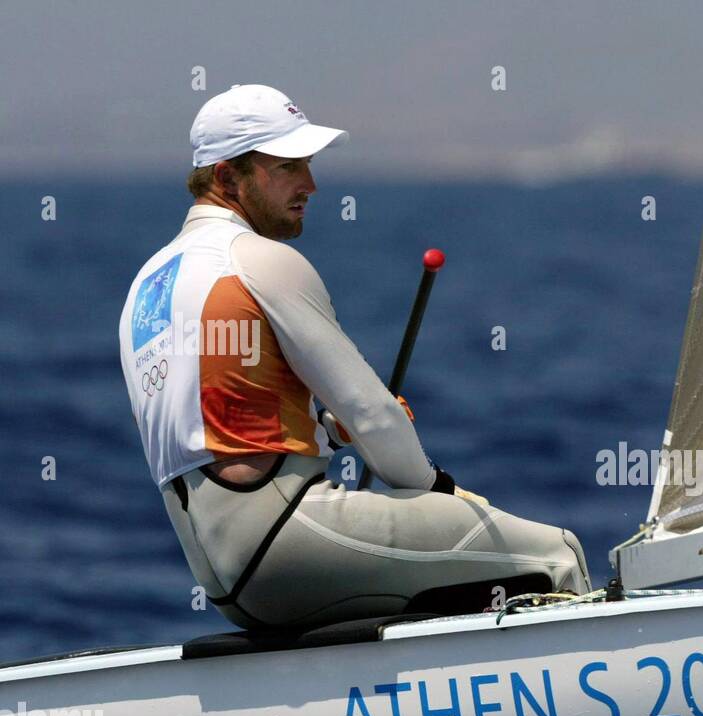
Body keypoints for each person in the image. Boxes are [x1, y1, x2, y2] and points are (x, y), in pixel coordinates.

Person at [118, 85, 591, 630]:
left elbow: (211, 425)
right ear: (227, 178)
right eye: (288, 166)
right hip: (286, 543)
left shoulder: (146, 288)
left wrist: (326, 429)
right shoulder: (258, 259)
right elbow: (375, 414)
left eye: (309, 164)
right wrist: (439, 492)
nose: (311, 184)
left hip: (225, 579)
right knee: (556, 555)